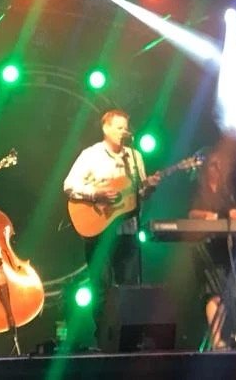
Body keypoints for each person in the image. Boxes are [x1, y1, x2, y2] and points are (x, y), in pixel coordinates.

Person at [63, 109, 160, 349]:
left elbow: (135, 198)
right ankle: (103, 339)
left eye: (126, 128)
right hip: (98, 232)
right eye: (118, 127)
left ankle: (128, 342)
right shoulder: (91, 155)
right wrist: (96, 193)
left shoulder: (135, 157)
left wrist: (147, 189)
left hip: (127, 231)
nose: (123, 132)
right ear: (106, 128)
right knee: (101, 287)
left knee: (128, 287)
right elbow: (69, 186)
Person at [188, 147, 236, 350]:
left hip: (221, 244)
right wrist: (208, 216)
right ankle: (216, 338)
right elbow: (191, 213)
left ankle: (218, 338)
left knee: (226, 294)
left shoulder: (225, 190)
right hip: (203, 244)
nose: (217, 169)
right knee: (213, 293)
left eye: (220, 166)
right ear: (206, 167)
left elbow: (233, 213)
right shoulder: (197, 187)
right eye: (213, 165)